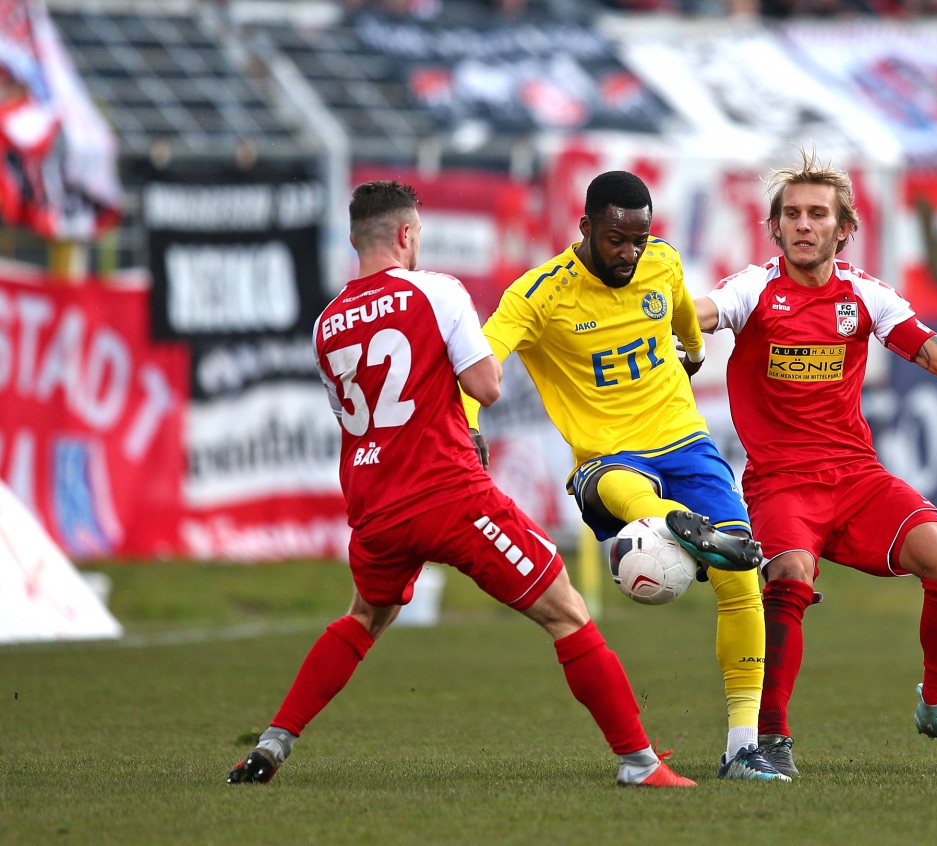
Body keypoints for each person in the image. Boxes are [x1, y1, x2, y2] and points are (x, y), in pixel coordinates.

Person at [227, 180, 694, 789]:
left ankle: (272, 744)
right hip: (449, 496)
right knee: (568, 613)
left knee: (364, 616)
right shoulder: (438, 291)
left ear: (353, 238)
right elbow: (486, 386)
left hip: (374, 505)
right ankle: (640, 763)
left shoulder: (327, 324)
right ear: (406, 234)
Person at [693, 149, 937, 775]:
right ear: (774, 227)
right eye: (792, 215)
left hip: (856, 478)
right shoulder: (754, 288)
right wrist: (664, 317)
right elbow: (703, 311)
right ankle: (771, 742)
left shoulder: (864, 295)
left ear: (844, 229)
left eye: (818, 214)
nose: (804, 225)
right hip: (781, 485)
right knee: (788, 576)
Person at [465, 170, 788, 781]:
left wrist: (692, 352)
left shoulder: (660, 264)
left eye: (639, 239)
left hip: (685, 442)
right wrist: (470, 425)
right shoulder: (538, 295)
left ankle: (742, 747)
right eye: (616, 239)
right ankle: (681, 527)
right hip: (608, 459)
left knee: (743, 580)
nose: (629, 253)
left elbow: (685, 316)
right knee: (629, 494)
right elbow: (481, 359)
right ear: (585, 227)